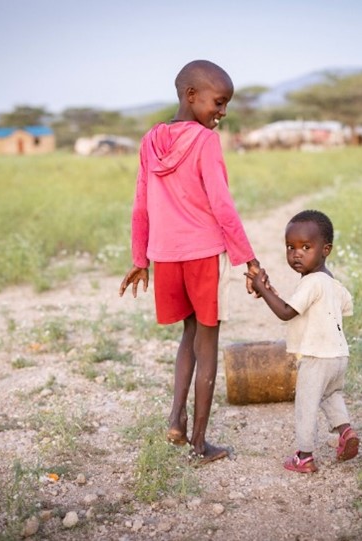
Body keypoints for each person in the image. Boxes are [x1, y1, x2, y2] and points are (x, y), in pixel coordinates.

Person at [120, 60, 261, 465]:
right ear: (191, 95)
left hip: (165, 257)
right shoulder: (204, 141)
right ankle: (200, 444)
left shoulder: (150, 140)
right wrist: (247, 259)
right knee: (207, 342)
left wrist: (139, 258)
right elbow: (222, 205)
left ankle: (175, 418)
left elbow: (140, 204)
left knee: (188, 337)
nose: (223, 112)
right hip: (202, 256)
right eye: (219, 102)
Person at [246, 210, 359, 473]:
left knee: (306, 404)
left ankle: (304, 456)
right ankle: (346, 432)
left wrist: (262, 290)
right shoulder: (333, 284)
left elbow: (286, 312)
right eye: (290, 247)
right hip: (339, 356)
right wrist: (270, 292)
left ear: (325, 249)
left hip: (317, 358)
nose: (297, 254)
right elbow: (337, 307)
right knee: (331, 395)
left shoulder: (311, 282)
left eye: (306, 247)